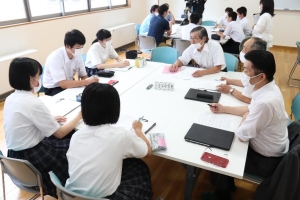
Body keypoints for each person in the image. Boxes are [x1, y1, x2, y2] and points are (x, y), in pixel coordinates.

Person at [203, 50, 289, 200]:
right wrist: (225, 109)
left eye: (246, 70)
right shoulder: (267, 88)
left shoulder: (265, 102)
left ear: (261, 76)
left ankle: (221, 195)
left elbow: (242, 135)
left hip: (265, 160)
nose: (243, 75)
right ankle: (227, 185)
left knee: (217, 153)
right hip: (271, 149)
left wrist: (245, 116)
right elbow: (250, 110)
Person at [4, 57, 82, 198]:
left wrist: (49, 120)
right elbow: (60, 133)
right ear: (30, 79)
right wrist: (80, 115)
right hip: (33, 160)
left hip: (14, 159)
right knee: (75, 140)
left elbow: (24, 122)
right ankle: (74, 189)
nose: (39, 79)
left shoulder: (10, 98)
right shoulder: (33, 103)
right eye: (38, 76)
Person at [65, 83, 153, 199]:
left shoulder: (76, 136)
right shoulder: (121, 135)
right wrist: (138, 130)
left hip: (70, 196)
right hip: (104, 197)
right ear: (114, 110)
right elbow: (148, 152)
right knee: (140, 167)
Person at [43, 29, 98, 96]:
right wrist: (86, 82)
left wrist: (90, 83)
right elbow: (63, 84)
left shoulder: (77, 55)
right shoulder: (55, 57)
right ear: (68, 46)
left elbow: (84, 76)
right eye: (78, 47)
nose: (80, 50)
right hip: (54, 88)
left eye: (82, 47)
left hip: (69, 84)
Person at [217, 37, 267, 103]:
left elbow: (248, 99)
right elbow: (245, 82)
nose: (241, 51)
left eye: (244, 48)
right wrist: (229, 81)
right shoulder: (251, 64)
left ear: (253, 51)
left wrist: (230, 90)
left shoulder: (256, 70)